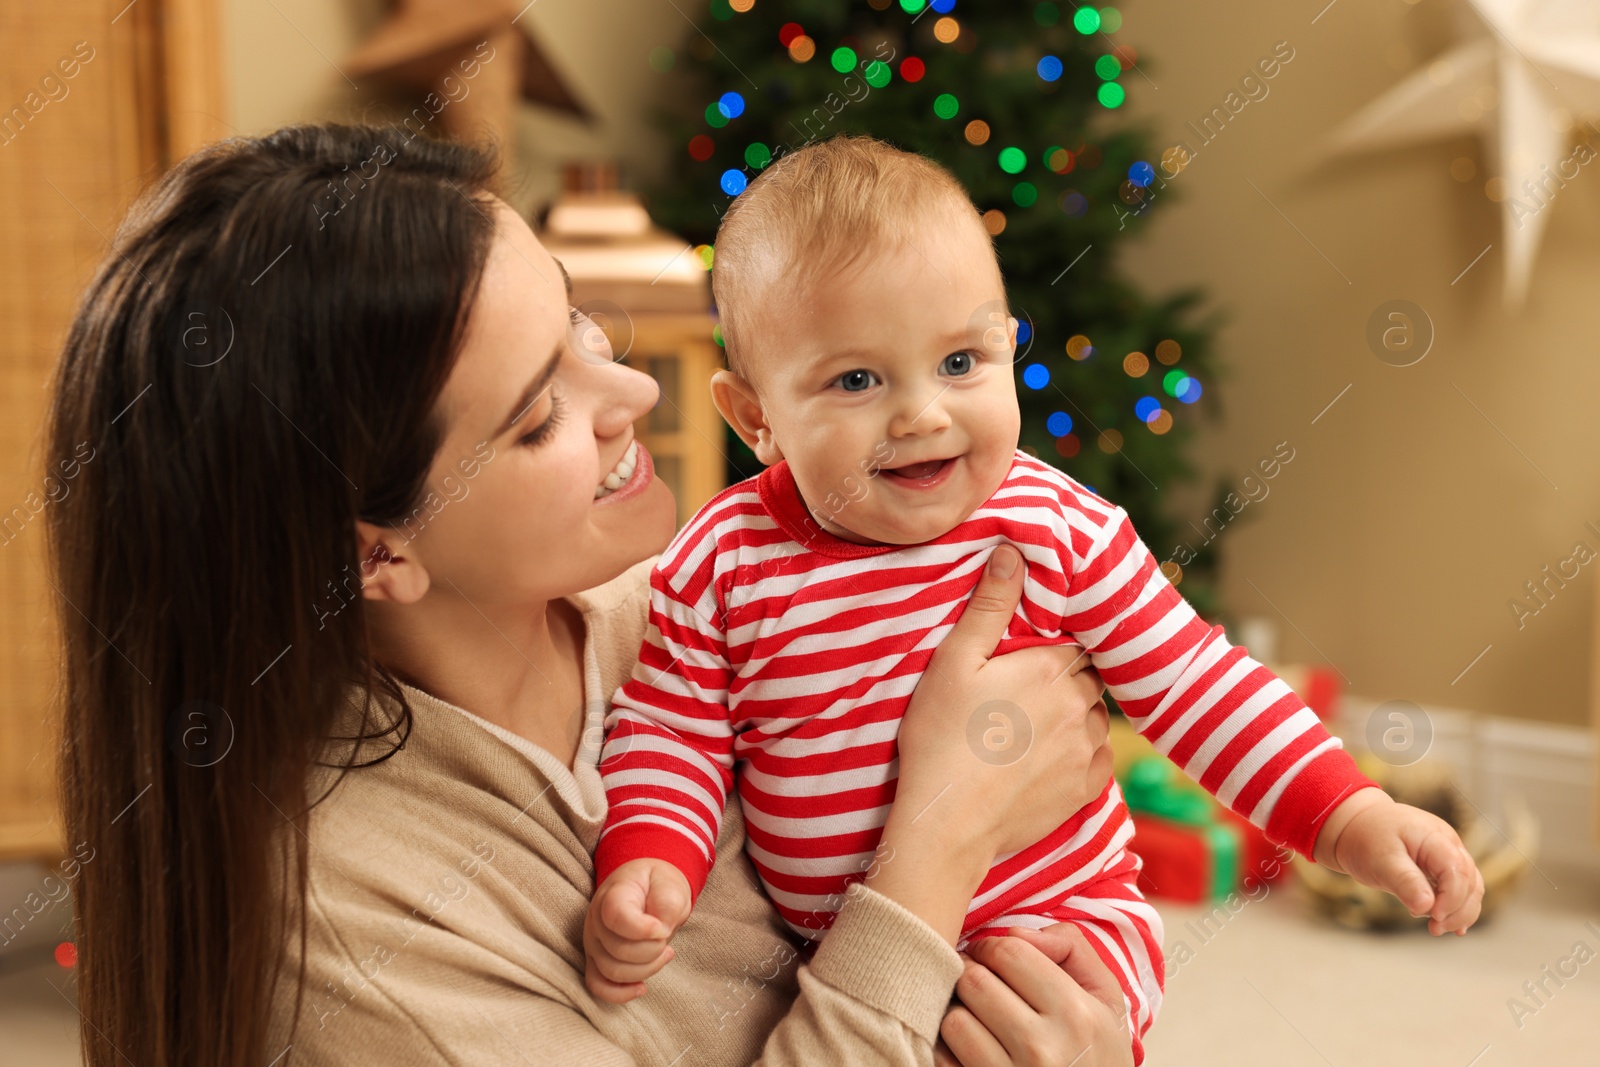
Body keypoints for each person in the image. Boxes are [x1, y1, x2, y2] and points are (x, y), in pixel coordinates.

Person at [46, 123, 1135, 1067]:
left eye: (577, 326)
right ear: (377, 557)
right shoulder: (350, 929)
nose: (635, 393)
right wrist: (938, 835)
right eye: (539, 415)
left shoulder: (706, 612)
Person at [584, 135, 1488, 1065]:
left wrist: (1344, 815)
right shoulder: (722, 559)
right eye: (857, 379)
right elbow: (670, 727)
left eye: (962, 361)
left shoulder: (1056, 528)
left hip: (1063, 928)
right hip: (846, 954)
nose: (922, 414)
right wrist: (652, 855)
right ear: (755, 416)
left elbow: (1198, 686)